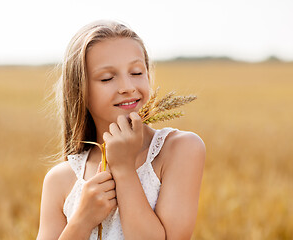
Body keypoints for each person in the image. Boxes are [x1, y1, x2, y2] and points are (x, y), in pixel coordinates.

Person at [36, 19, 206, 240]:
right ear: (79, 91)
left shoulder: (180, 149)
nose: (127, 87)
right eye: (107, 78)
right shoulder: (60, 180)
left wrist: (124, 169)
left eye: (136, 72)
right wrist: (81, 221)